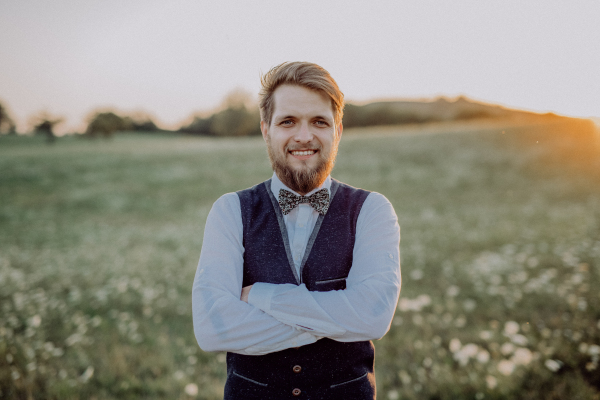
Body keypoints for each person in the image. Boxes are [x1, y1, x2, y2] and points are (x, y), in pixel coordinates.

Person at [192, 61, 401, 399]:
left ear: (338, 131)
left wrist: (260, 296)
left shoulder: (372, 210)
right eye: (288, 121)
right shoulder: (230, 211)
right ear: (265, 129)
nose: (304, 136)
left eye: (319, 121)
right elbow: (211, 329)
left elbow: (373, 318)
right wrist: (340, 318)